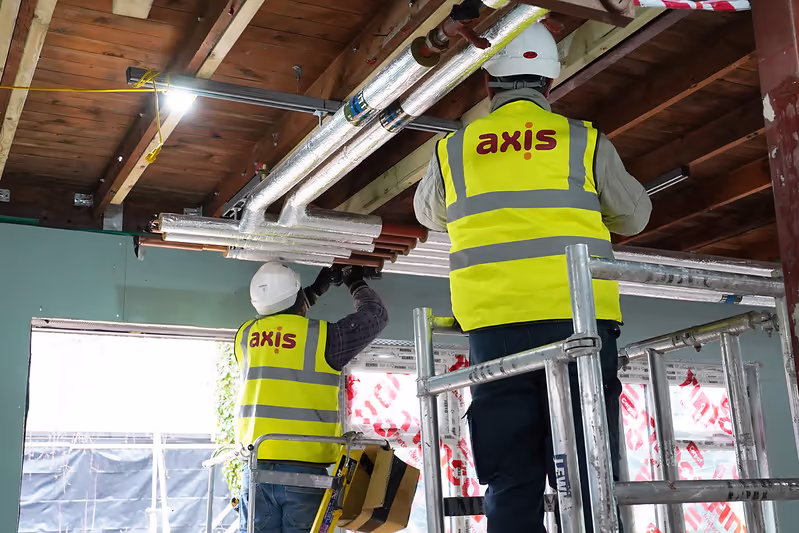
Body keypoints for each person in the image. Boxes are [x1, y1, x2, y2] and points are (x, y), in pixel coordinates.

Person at [413, 22, 651, 533]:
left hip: (494, 330)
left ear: (487, 84)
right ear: (550, 82)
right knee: (589, 476)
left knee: (510, 480)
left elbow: (430, 214)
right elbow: (636, 217)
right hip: (578, 322)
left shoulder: (453, 149)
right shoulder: (582, 141)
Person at [234, 262, 388, 533]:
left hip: (256, 468)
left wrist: (316, 290)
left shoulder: (245, 337)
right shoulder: (326, 338)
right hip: (304, 477)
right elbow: (376, 315)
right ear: (296, 297)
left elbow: (284, 321)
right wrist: (355, 282)